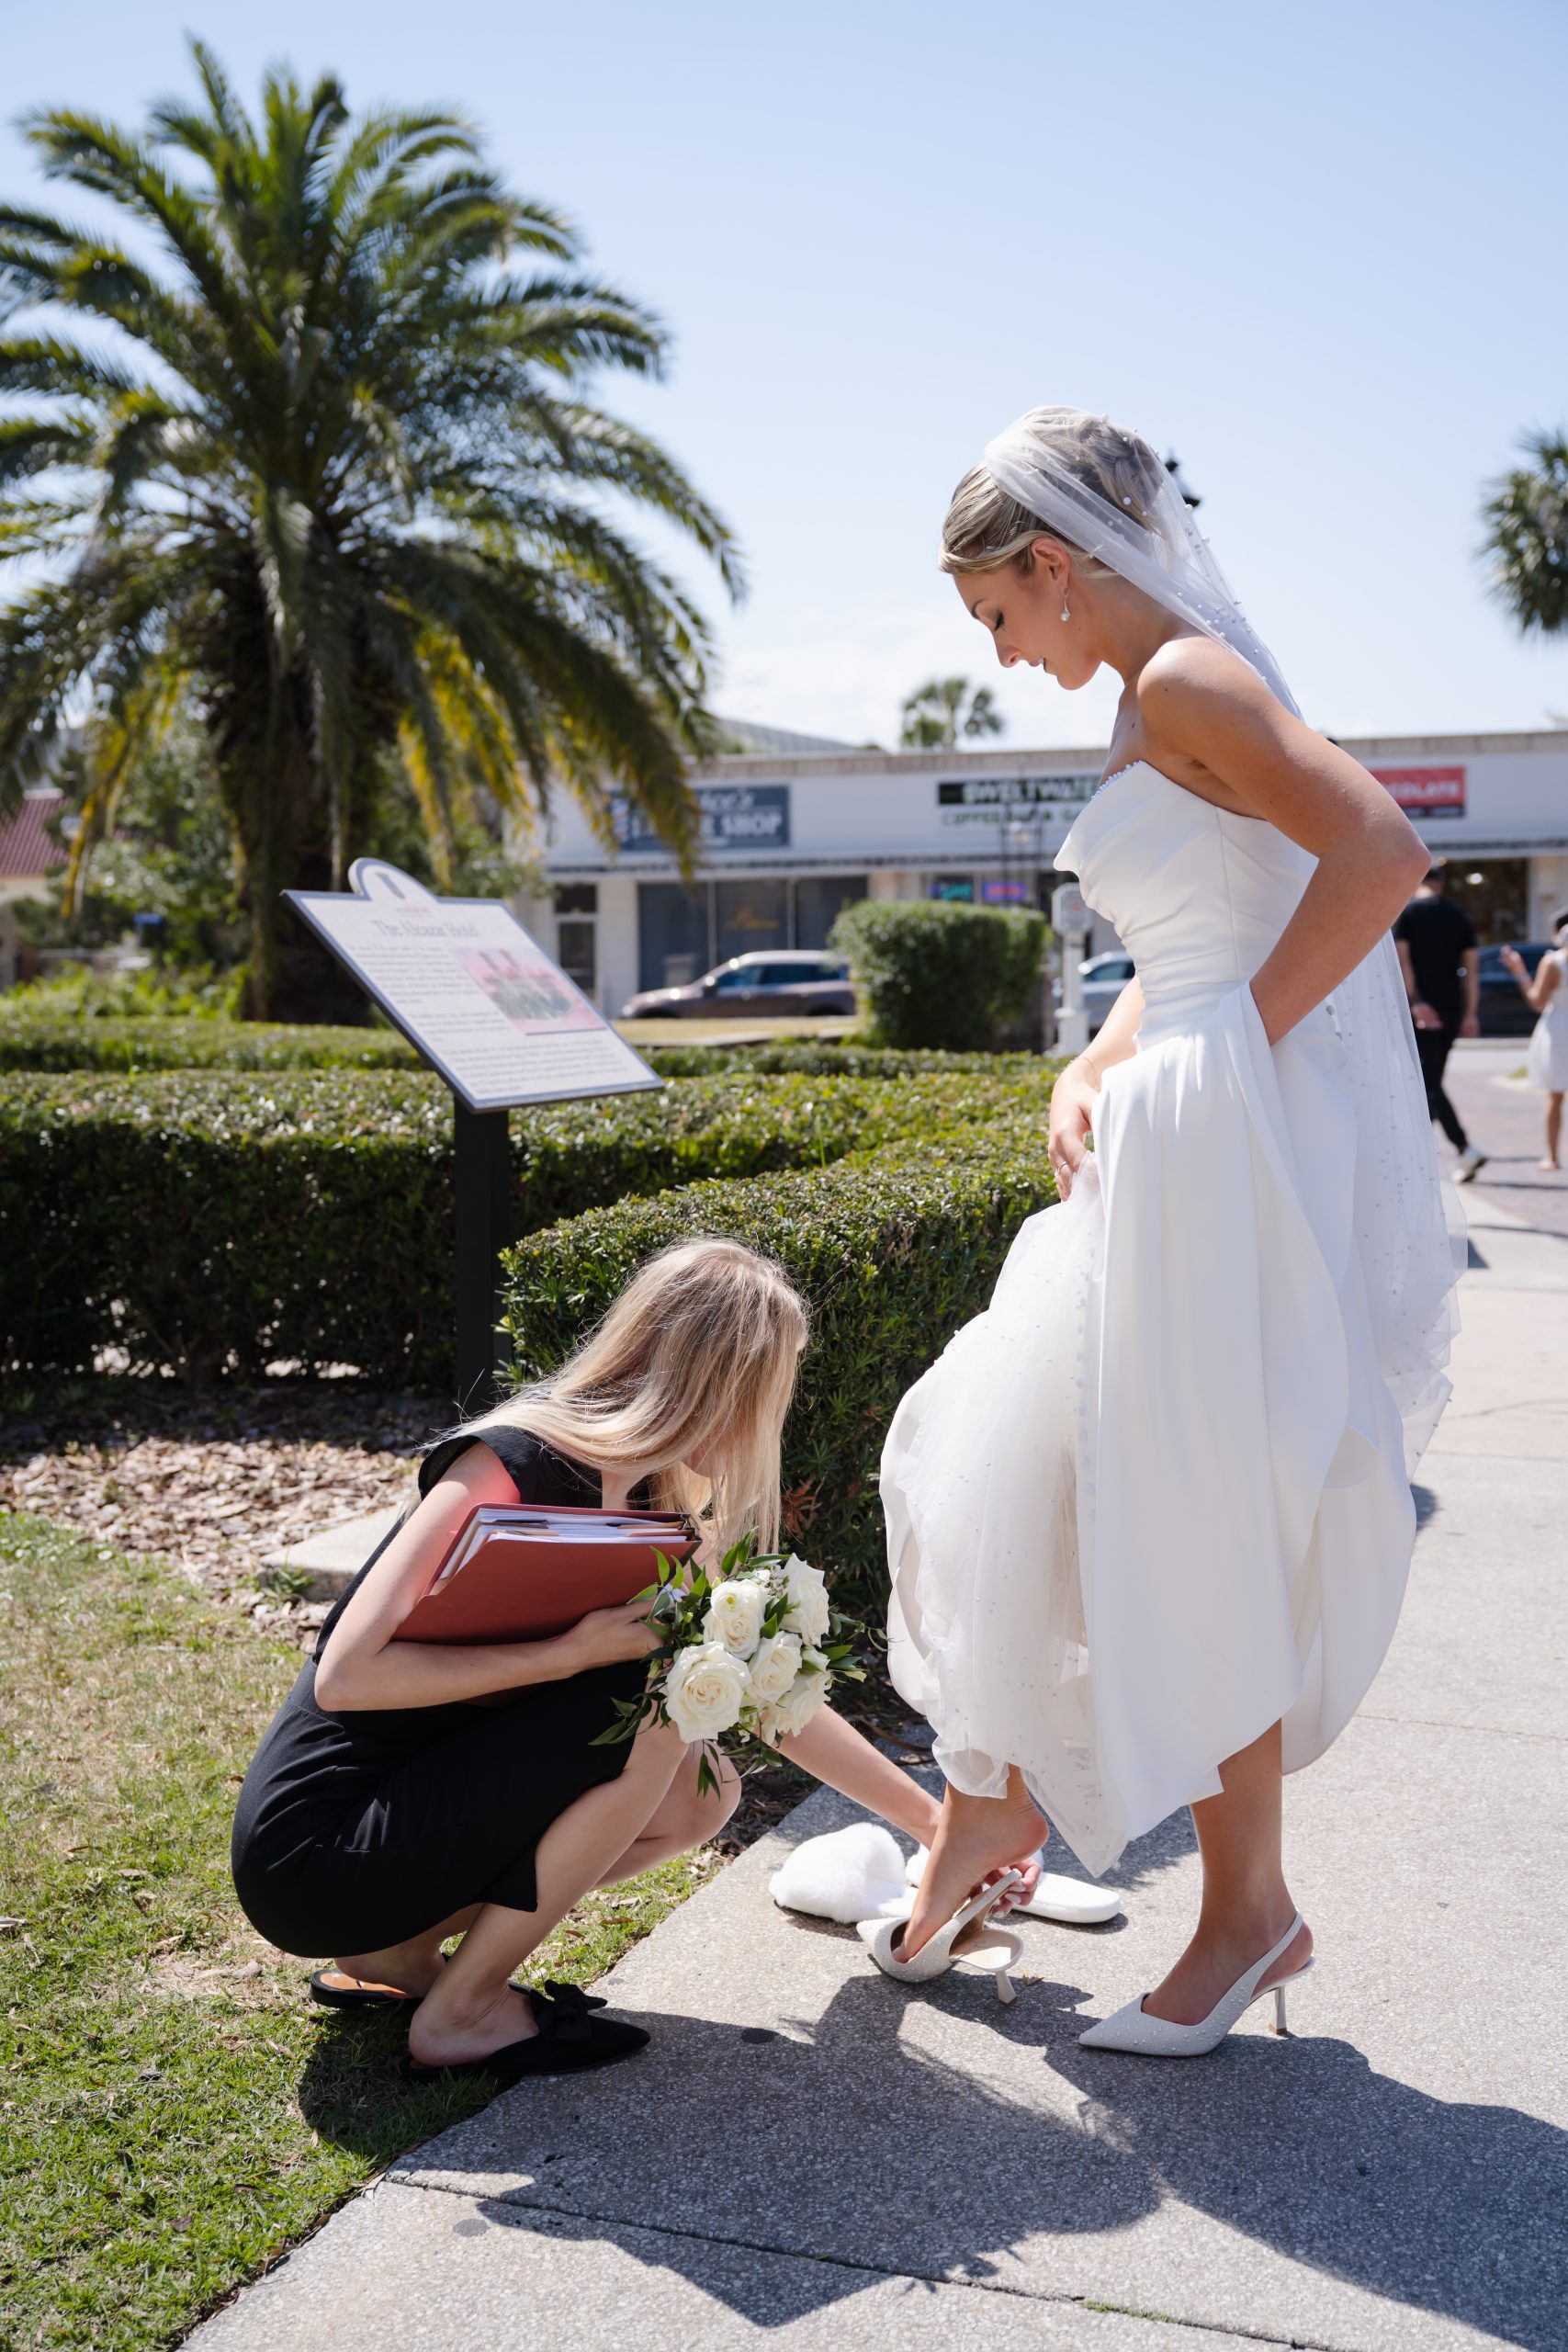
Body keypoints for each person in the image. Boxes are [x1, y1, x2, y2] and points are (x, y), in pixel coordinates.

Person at [876, 407, 1461, 2055]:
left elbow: (1378, 854)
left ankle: (1224, 1911)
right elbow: (1206, 924)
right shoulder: (1160, 696)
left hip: (1210, 1152)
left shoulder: (1187, 682)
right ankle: (994, 1814)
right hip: (1170, 1130)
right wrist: (1104, 1051)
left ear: (1055, 567)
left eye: (999, 614)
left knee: (1180, 1509)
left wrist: (1226, 1048)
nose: (1002, 651)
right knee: (1029, 1457)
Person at [231, 1237, 1035, 2084]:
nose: (775, 1413)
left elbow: (764, 1692)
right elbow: (347, 1676)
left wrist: (941, 1833)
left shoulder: (659, 1500)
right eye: (772, 1388)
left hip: (413, 1814)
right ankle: (463, 2013)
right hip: (316, 1842)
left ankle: (399, 1952)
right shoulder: (508, 1463)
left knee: (703, 1789)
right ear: (719, 1384)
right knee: (659, 1708)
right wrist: (566, 1654)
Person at [1393, 866, 1486, 1181]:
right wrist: (1471, 1013)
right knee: (1430, 1080)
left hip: (1418, 1011)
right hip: (1451, 1011)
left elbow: (1402, 962)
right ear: (1441, 882)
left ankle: (1456, 1148)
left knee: (1425, 1082)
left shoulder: (1407, 913)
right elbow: (1472, 972)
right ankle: (1443, 1151)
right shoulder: (1459, 916)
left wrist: (1416, 1001)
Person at [1502, 913, 1568, 1171]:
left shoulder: (1553, 963)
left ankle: (1552, 1156)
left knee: (1555, 1095)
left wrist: (1519, 971)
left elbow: (1537, 1001)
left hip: (1559, 1027)